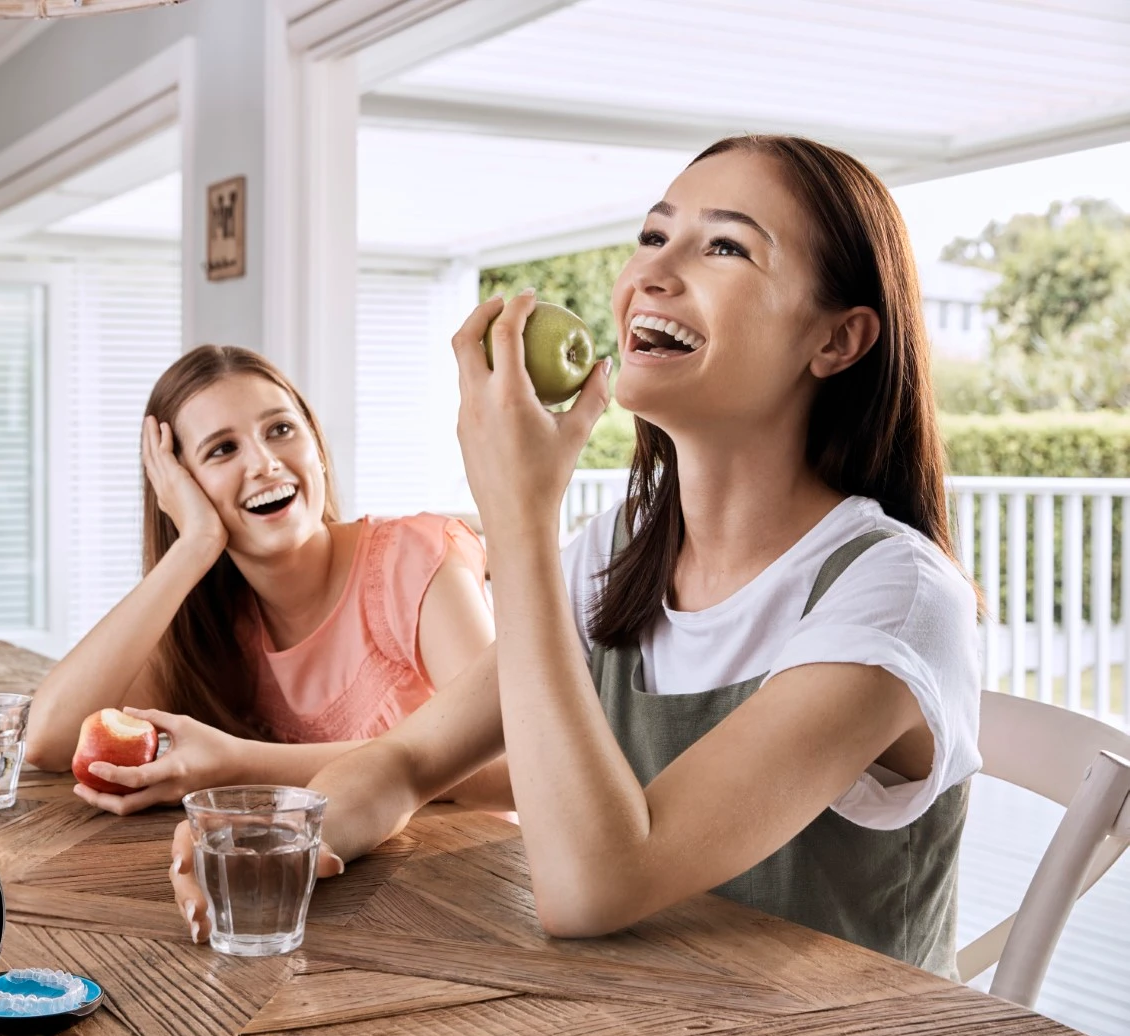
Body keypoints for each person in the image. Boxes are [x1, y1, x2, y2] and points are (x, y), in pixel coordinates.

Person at [168, 135, 982, 977]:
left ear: (838, 340)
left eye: (725, 247)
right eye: (654, 236)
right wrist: (277, 836)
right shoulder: (619, 554)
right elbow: (408, 760)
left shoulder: (896, 597)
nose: (652, 274)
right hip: (624, 1018)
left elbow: (594, 888)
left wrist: (519, 517)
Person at [23, 344, 509, 814]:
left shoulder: (416, 559)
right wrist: (193, 545)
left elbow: (512, 763)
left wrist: (243, 764)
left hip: (465, 866)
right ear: (182, 488)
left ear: (316, 446)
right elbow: (49, 741)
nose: (264, 463)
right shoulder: (209, 623)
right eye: (223, 449)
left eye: (280, 429)